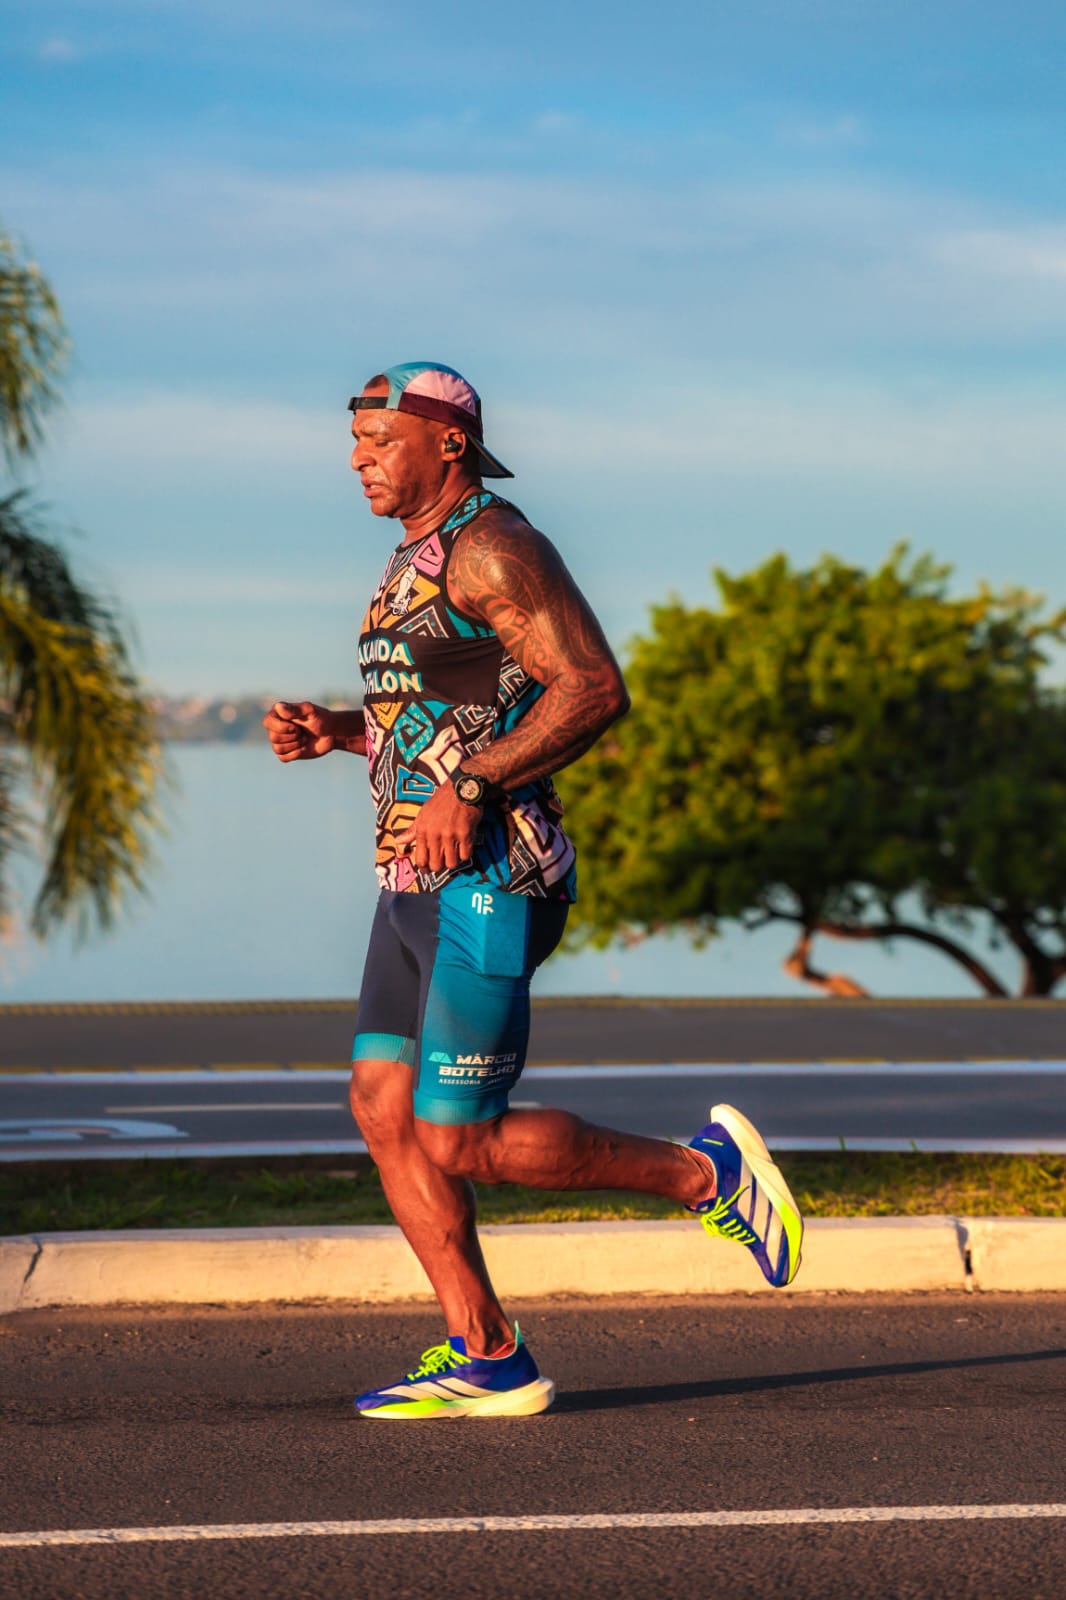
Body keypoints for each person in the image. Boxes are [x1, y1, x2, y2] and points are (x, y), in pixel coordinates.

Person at [264, 361, 803, 1420]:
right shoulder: (412, 557)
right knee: (381, 1106)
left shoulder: (494, 546)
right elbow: (450, 708)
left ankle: (707, 1174)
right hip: (414, 876)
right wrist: (341, 731)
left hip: (494, 875)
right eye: (355, 443)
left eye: (379, 441)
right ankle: (489, 1355)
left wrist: (471, 784)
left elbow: (591, 687)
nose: (358, 460)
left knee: (459, 1136)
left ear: (447, 444)